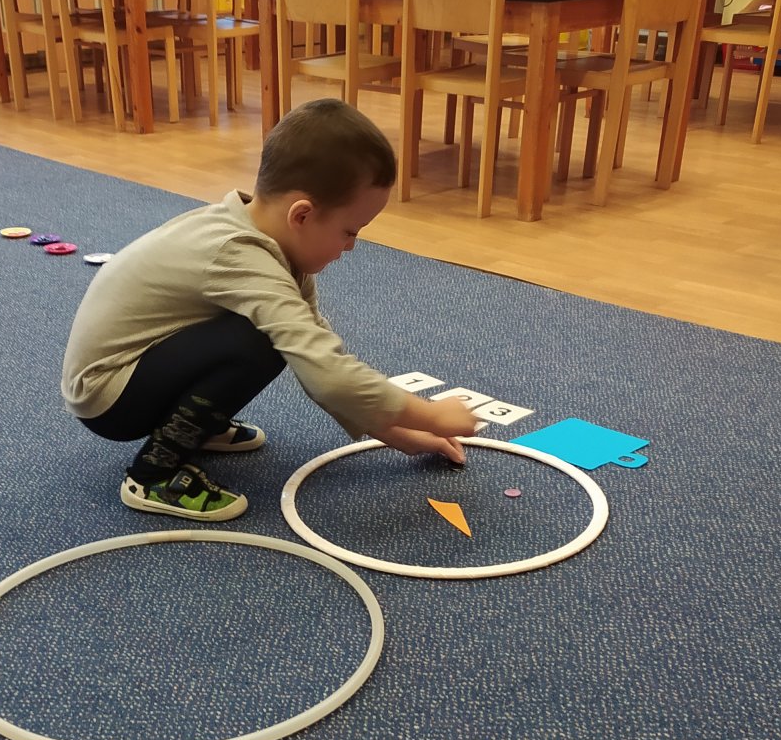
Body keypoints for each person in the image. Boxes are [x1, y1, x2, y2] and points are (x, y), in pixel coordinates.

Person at [61, 97, 481, 521]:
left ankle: (193, 424)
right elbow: (327, 373)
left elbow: (319, 361)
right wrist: (430, 414)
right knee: (259, 340)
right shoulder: (238, 254)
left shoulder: (269, 243)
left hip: (136, 372)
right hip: (107, 396)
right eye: (350, 231)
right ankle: (153, 474)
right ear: (302, 215)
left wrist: (398, 433)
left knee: (276, 337)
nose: (352, 246)